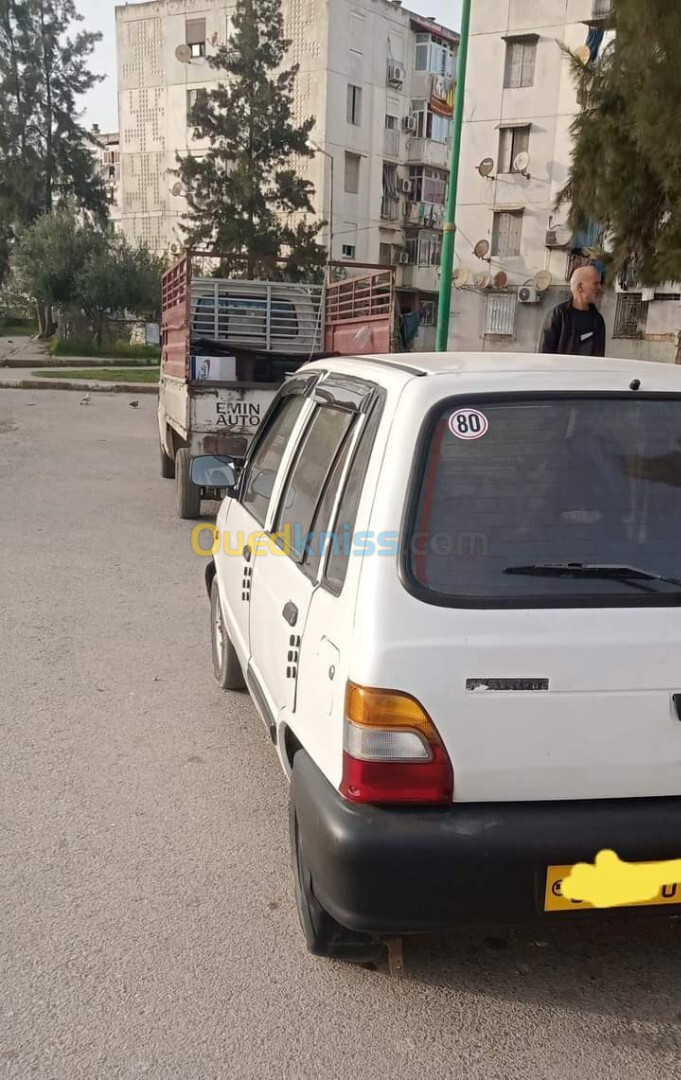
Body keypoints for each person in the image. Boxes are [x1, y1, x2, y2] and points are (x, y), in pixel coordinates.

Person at [539, 266, 606, 356]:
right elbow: (544, 354)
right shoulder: (558, 315)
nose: (599, 287)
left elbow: (599, 357)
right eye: (595, 283)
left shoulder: (597, 320)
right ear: (580, 287)